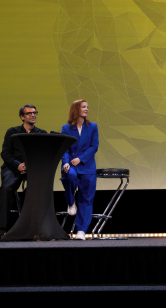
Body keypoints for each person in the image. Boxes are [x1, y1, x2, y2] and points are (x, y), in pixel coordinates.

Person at [0, 104, 47, 235]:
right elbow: (5, 154)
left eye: (35, 112)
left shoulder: (41, 134)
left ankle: (30, 228)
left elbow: (43, 154)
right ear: (22, 117)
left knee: (36, 190)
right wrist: (18, 165)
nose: (33, 115)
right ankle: (2, 228)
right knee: (6, 188)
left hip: (33, 169)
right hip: (13, 168)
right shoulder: (12, 132)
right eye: (29, 113)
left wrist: (29, 165)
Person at [61, 100, 99, 240]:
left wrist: (80, 159)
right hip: (71, 165)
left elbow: (94, 146)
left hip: (87, 165)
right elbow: (64, 148)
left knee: (86, 199)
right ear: (76, 109)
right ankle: (71, 201)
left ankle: (81, 231)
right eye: (84, 107)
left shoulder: (92, 127)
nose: (87, 109)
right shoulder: (66, 128)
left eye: (87, 107)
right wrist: (65, 163)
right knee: (69, 176)